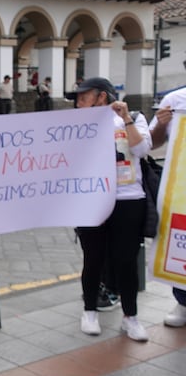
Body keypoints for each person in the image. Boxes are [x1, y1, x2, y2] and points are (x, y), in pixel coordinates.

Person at [69, 77, 151, 342]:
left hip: (128, 199)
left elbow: (142, 148)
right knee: (92, 259)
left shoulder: (134, 118)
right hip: (91, 199)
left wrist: (126, 118)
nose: (78, 102)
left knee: (126, 261)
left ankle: (131, 317)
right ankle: (90, 311)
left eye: (83, 97)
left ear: (101, 96)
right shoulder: (75, 125)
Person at [149, 86, 186, 327]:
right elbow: (152, 143)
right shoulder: (175, 99)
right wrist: (162, 124)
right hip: (181, 188)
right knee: (180, 243)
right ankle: (183, 302)